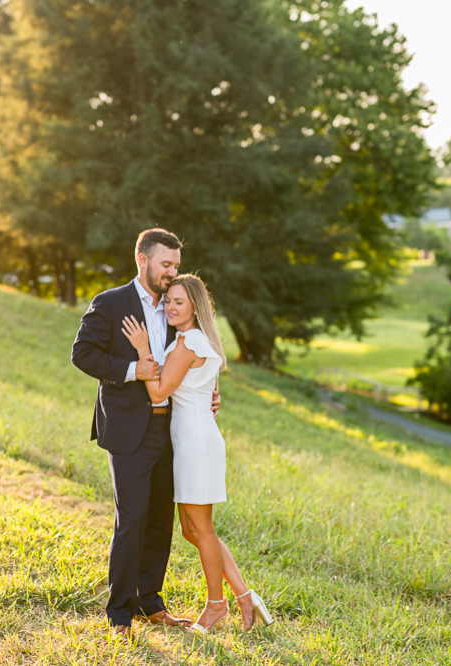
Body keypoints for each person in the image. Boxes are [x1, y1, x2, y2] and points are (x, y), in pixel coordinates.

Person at [71, 228, 220, 641]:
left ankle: (150, 603)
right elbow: (81, 353)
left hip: (172, 428)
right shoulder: (111, 302)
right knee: (131, 519)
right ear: (143, 260)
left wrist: (209, 393)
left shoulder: (176, 309)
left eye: (176, 264)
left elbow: (189, 359)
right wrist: (134, 369)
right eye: (166, 264)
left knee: (160, 520)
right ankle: (119, 613)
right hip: (127, 428)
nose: (173, 272)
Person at [121, 274, 274, 634]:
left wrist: (143, 350)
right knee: (192, 530)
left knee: (201, 529)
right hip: (193, 439)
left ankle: (215, 606)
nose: (171, 307)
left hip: (195, 443)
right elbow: (203, 392)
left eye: (179, 302)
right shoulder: (196, 340)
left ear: (195, 307)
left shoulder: (188, 342)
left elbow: (158, 393)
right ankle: (244, 596)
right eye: (168, 301)